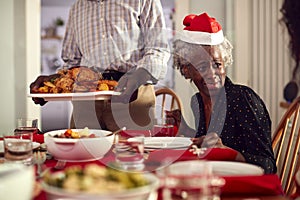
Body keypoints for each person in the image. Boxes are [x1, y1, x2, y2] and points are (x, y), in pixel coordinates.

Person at [30, 0, 170, 131]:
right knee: (81, 154)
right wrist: (53, 84)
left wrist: (141, 75)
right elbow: (72, 62)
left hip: (133, 97)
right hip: (86, 104)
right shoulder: (77, 8)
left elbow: (158, 48)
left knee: (135, 154)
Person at [167, 13, 276, 174]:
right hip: (215, 180)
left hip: (243, 188)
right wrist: (185, 129)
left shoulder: (243, 99)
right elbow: (207, 144)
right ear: (186, 70)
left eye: (217, 64)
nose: (212, 74)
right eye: (202, 67)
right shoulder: (196, 101)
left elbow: (268, 166)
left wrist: (228, 152)